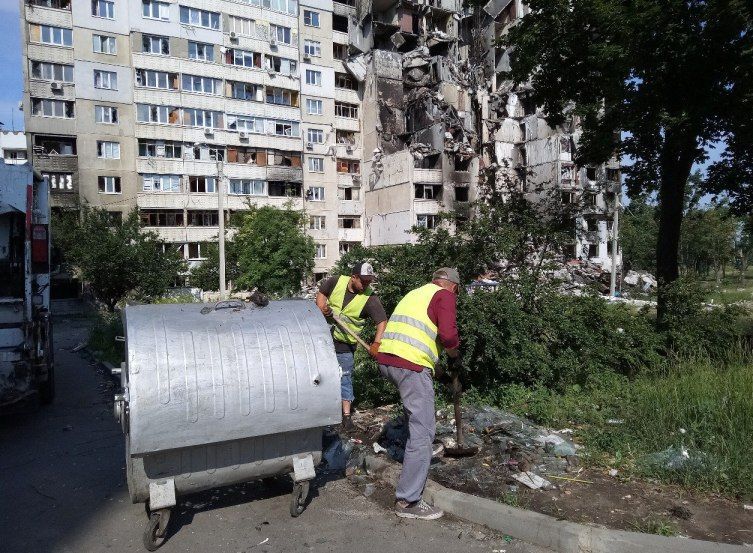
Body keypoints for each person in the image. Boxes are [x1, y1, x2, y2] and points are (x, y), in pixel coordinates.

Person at [375, 267, 461, 520]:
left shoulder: (417, 293)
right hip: (410, 366)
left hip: (388, 361)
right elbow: (447, 336)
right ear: (453, 286)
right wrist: (455, 356)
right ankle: (408, 501)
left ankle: (417, 455)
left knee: (416, 418)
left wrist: (440, 372)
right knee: (423, 431)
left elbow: (418, 337)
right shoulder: (445, 296)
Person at [316, 262, 387, 431]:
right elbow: (322, 293)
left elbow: (382, 322)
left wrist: (376, 343)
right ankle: (320, 410)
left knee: (345, 377)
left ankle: (346, 416)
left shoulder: (370, 298)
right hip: (323, 338)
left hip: (345, 343)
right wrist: (321, 308)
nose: (366, 284)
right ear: (353, 277)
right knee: (320, 375)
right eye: (363, 281)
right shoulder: (336, 281)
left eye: (369, 281)